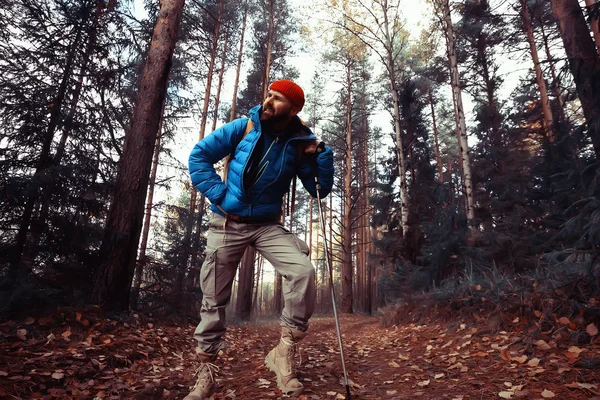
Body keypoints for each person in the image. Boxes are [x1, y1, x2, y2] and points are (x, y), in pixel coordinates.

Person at [184, 79, 334, 400]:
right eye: (269, 94)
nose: (269, 101)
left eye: (278, 99)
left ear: (293, 110)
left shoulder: (297, 143)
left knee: (303, 272)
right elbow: (199, 157)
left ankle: (284, 352)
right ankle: (206, 372)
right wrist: (220, 195)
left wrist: (321, 154)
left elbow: (319, 188)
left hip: (266, 225)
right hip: (227, 222)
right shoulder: (244, 126)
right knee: (213, 298)